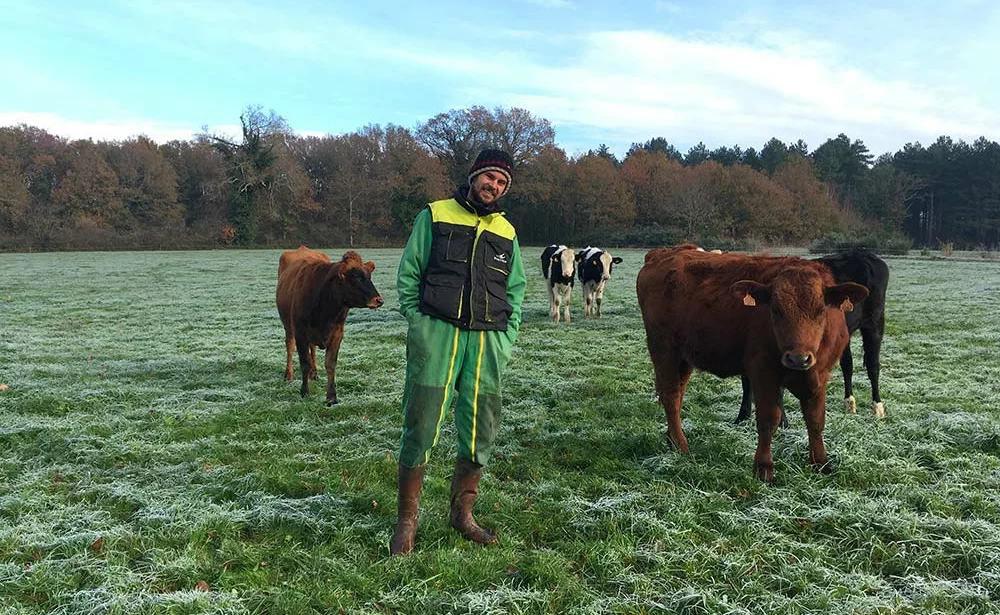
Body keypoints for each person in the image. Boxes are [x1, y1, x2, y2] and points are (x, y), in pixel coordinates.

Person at [390, 149, 527, 555]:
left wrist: (508, 334)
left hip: (487, 342)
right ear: (474, 176)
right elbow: (409, 273)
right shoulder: (434, 214)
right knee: (422, 421)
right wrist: (419, 324)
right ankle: (406, 522)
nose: (494, 187)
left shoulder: (507, 231)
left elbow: (515, 290)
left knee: (481, 427)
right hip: (438, 334)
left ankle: (461, 514)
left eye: (502, 183)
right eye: (490, 178)